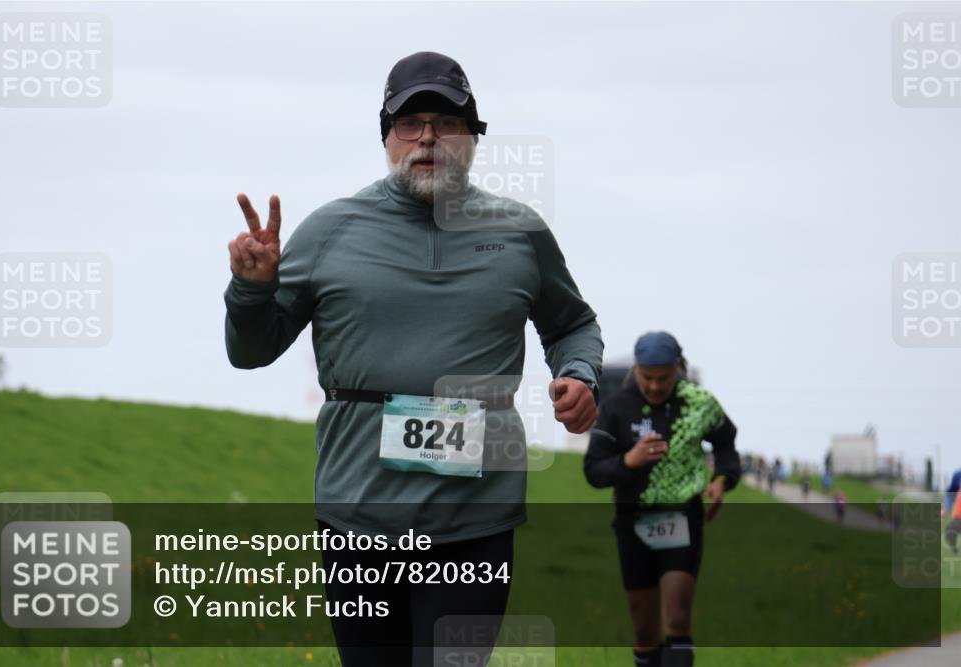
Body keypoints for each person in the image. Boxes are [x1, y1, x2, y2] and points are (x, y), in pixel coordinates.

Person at [223, 51, 603, 666]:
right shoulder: (330, 230)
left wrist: (579, 375)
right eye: (410, 122)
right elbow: (250, 352)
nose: (428, 137)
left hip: (475, 520)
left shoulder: (520, 232)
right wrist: (251, 290)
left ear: (473, 137)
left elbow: (573, 324)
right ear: (387, 137)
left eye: (447, 122)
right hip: (357, 516)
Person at [583, 332, 741, 667]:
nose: (655, 387)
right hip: (632, 522)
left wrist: (722, 480)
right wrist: (629, 461)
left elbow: (726, 443)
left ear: (677, 369)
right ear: (636, 370)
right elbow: (593, 471)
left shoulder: (699, 403)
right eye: (647, 378)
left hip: (682, 518)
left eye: (663, 379)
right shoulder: (615, 408)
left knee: (677, 619)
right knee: (644, 631)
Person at [944, 468, 961, 555]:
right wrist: (946, 508)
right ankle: (954, 548)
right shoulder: (958, 475)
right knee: (949, 533)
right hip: (958, 516)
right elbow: (950, 493)